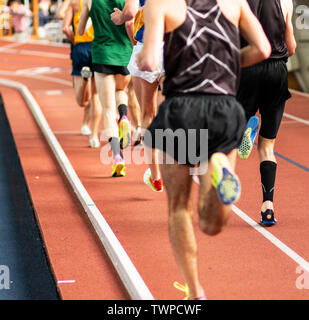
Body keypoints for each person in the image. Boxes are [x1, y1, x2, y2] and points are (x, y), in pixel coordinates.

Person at [137, 0, 271, 300]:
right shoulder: (234, 2)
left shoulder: (160, 4)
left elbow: (146, 63)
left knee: (179, 208)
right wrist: (225, 62)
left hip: (180, 110)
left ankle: (195, 291)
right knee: (212, 224)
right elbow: (263, 49)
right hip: (225, 108)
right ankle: (218, 164)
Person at [237, 0, 296, 226]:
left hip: (249, 69)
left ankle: (243, 132)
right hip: (277, 72)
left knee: (229, 133)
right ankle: (267, 206)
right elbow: (291, 48)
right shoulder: (286, 1)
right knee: (268, 145)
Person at [111, 0, 165, 192]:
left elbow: (129, 15)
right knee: (174, 109)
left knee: (147, 116)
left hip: (146, 46)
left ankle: (156, 177)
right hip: (173, 44)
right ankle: (188, 158)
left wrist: (120, 16)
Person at [78, 0, 133, 177]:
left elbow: (80, 32)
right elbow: (132, 21)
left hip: (102, 54)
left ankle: (118, 157)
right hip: (125, 54)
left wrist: (91, 20)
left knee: (108, 109)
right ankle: (124, 115)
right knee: (121, 92)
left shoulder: (88, 1)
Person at [62, 0, 102, 148]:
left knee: (82, 101)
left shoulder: (74, 3)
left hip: (80, 47)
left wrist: (75, 42)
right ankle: (94, 136)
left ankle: (85, 80)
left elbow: (65, 28)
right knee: (96, 96)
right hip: (98, 47)